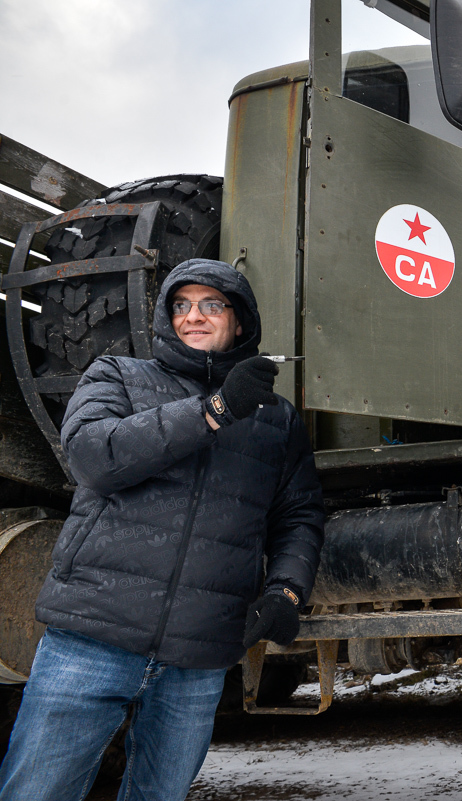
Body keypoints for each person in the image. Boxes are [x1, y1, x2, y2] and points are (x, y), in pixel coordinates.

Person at [0, 258, 325, 801]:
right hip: (93, 638)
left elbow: (299, 516)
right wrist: (215, 410)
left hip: (199, 655)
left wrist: (286, 590)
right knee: (37, 791)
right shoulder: (118, 376)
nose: (193, 316)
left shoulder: (278, 420)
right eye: (181, 305)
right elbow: (92, 457)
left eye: (211, 305)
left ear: (239, 321)